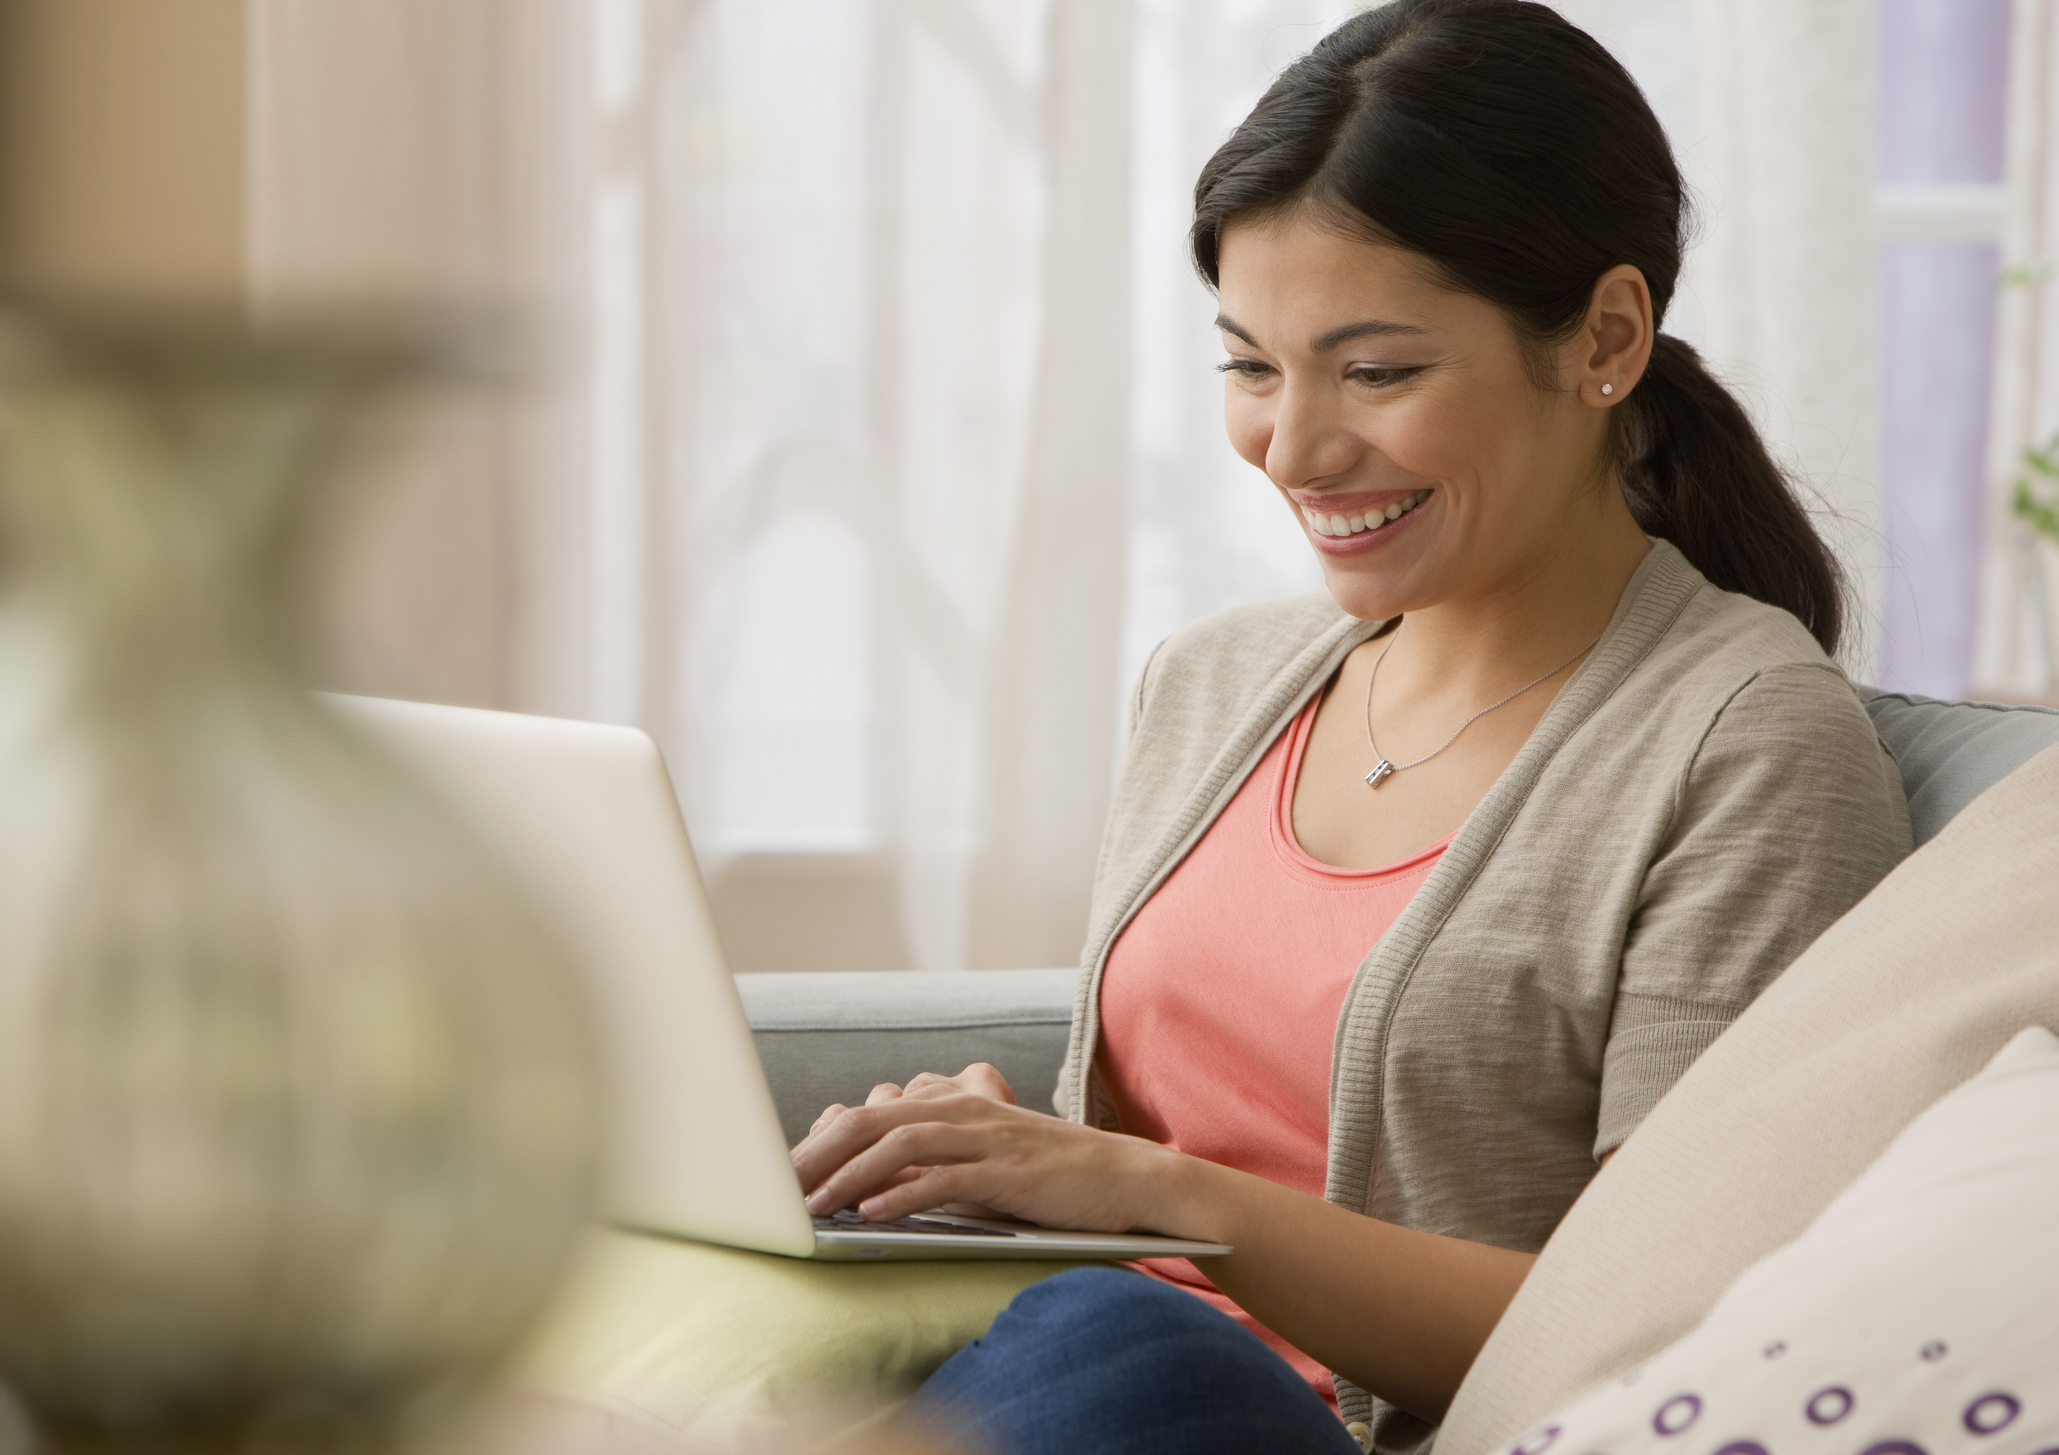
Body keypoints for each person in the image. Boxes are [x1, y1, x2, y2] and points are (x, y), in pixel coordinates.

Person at [792, 3, 1912, 1452]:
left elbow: (1675, 1319)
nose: (1296, 447)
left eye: (1377, 372)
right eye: (1251, 366)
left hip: (1291, 1412)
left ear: (1607, 340)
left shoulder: (1746, 748)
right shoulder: (1210, 684)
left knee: (1122, 1334)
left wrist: (1166, 1204)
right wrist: (985, 1162)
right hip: (1070, 1377)